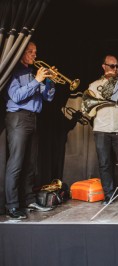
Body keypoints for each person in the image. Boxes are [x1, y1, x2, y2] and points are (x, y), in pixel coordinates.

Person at [4, 42, 55, 219]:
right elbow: (16, 96)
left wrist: (50, 81)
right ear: (20, 52)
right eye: (30, 52)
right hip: (18, 117)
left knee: (31, 164)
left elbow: (48, 97)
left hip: (33, 118)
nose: (34, 55)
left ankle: (29, 199)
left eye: (35, 51)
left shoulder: (34, 72)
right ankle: (12, 206)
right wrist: (36, 81)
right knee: (16, 163)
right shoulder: (13, 71)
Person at [87, 55, 118, 205]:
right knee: (104, 163)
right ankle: (108, 195)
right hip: (101, 128)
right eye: (112, 66)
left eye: (117, 66)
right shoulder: (94, 85)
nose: (115, 69)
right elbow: (89, 110)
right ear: (104, 66)